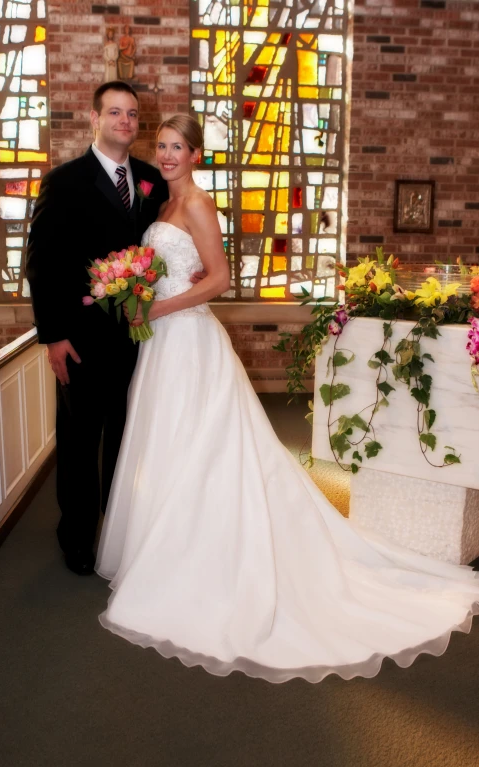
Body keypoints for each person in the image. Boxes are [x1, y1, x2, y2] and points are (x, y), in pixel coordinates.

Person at [95, 115, 479, 683]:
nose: (169, 155)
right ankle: (165, 544)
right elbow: (173, 272)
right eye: (163, 147)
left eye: (178, 148)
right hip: (162, 345)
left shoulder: (198, 204)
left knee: (203, 443)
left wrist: (157, 307)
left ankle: (203, 557)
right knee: (166, 440)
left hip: (190, 338)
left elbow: (220, 279)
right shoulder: (161, 207)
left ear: (197, 155)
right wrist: (137, 293)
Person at [26, 81, 170, 576]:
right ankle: (78, 537)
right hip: (82, 339)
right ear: (94, 118)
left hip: (141, 338)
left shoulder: (152, 180)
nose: (125, 121)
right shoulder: (64, 182)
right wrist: (53, 336)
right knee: (81, 441)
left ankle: (121, 531)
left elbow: (169, 243)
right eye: (115, 112)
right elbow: (41, 264)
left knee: (130, 439)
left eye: (131, 114)